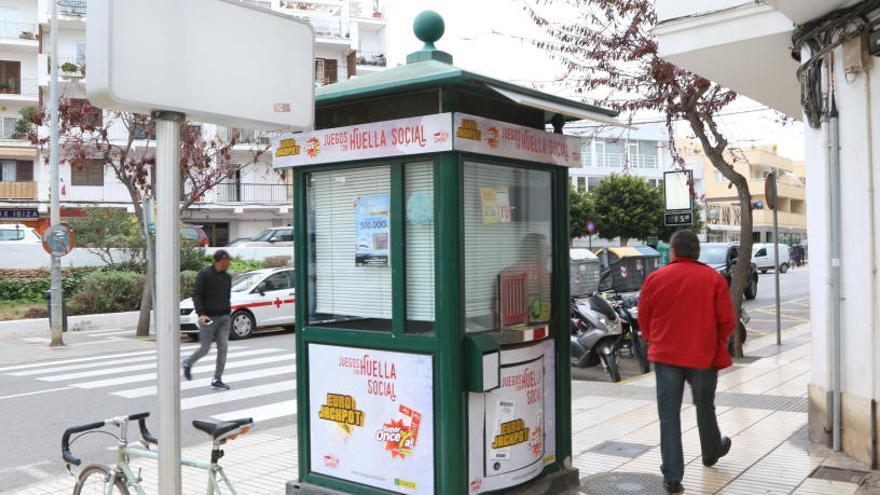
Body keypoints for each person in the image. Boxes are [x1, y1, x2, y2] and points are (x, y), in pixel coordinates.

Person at [637, 231, 737, 494]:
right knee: (705, 405)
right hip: (702, 356)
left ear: (672, 252)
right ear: (697, 252)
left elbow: (644, 317)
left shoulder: (655, 278)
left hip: (666, 357)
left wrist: (654, 339)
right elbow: (727, 320)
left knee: (668, 415)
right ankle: (711, 451)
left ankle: (672, 477)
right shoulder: (713, 279)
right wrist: (714, 340)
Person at [182, 250, 233, 390]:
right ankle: (187, 363)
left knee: (223, 348)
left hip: (224, 318)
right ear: (221, 261)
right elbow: (196, 294)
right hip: (208, 319)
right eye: (227, 261)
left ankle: (217, 379)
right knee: (204, 349)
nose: (229, 263)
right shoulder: (204, 275)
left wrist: (228, 312)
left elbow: (227, 295)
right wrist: (200, 314)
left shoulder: (227, 277)